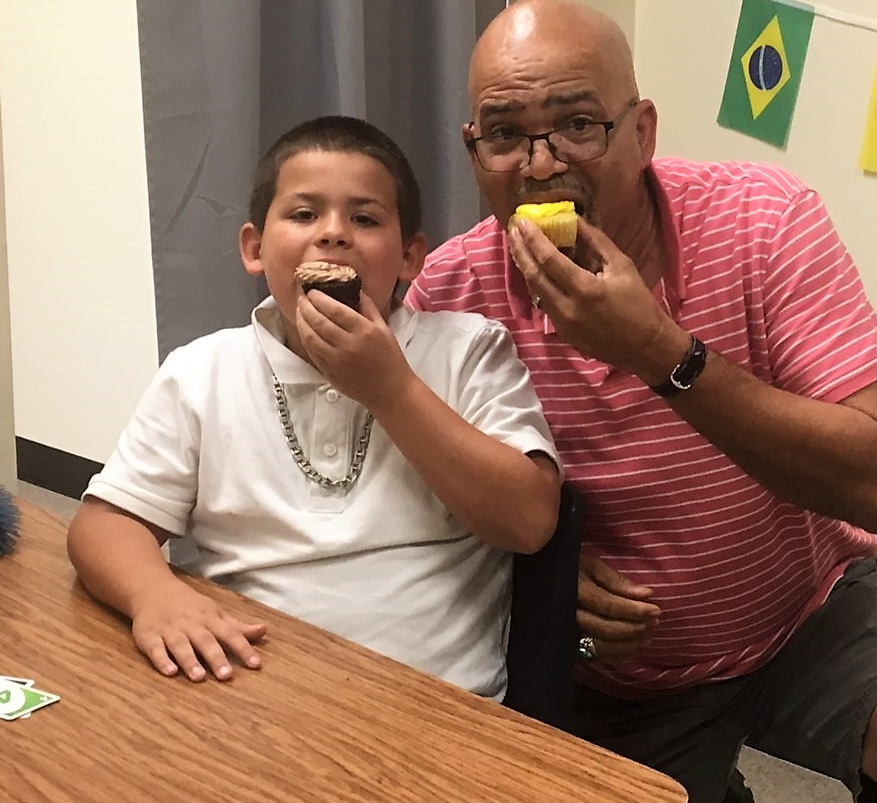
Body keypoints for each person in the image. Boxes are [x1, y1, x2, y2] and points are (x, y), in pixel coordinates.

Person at [406, 0, 877, 803]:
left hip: (809, 608)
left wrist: (661, 353)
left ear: (643, 131)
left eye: (578, 124)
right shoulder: (451, 291)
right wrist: (534, 576)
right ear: (473, 150)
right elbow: (425, 508)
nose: (541, 163)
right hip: (621, 674)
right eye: (506, 133)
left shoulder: (764, 221)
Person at [68, 116, 561, 700]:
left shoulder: (468, 349)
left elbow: (529, 522)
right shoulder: (202, 371)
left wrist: (390, 388)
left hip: (437, 709)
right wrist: (155, 594)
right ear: (254, 248)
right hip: (247, 689)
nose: (333, 234)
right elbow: (105, 523)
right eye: (303, 214)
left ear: (410, 256)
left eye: (365, 218)